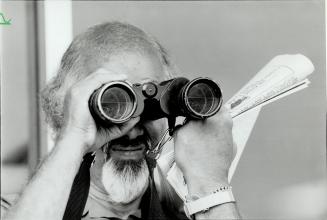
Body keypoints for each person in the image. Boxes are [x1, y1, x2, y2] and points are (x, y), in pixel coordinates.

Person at [2, 21, 241, 220]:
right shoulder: (14, 210)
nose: (132, 130)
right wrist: (74, 135)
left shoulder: (199, 211)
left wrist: (210, 187)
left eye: (150, 109)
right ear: (66, 111)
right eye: (112, 105)